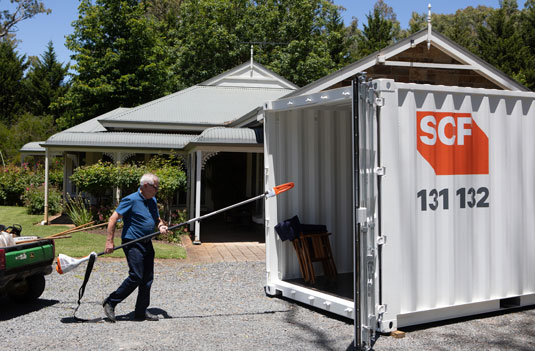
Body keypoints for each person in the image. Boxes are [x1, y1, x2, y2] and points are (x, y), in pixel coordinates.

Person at [102, 173, 168, 322]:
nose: (157, 190)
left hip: (146, 242)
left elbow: (157, 219)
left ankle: (140, 311)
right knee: (136, 276)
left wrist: (161, 225)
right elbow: (113, 219)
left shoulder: (152, 200)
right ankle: (111, 302)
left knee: (147, 278)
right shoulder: (131, 200)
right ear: (145, 186)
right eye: (155, 187)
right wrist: (109, 241)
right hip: (132, 242)